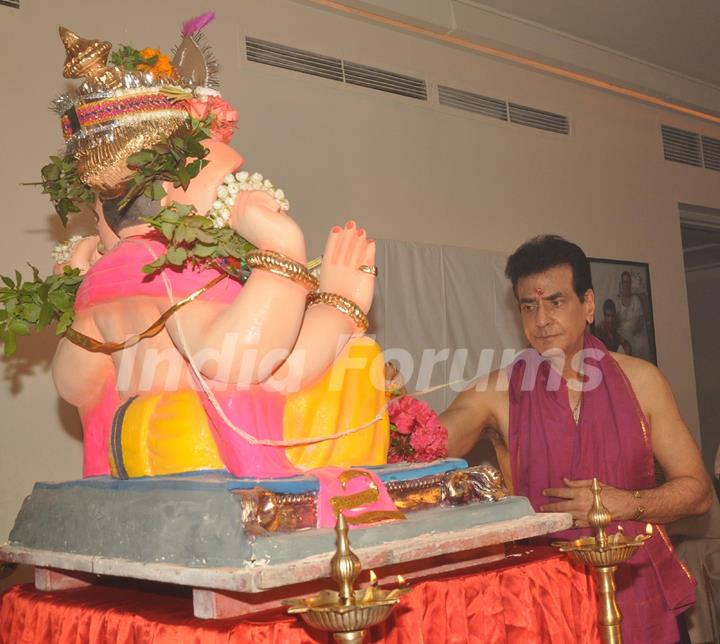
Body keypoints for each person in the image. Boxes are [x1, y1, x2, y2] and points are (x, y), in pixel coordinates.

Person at [440, 234, 712, 644]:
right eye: (528, 306)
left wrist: (627, 503)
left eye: (555, 301)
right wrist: (392, 416)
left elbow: (698, 492)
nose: (541, 319)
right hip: (549, 600)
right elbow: (435, 443)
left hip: (638, 590)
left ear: (587, 305)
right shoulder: (498, 392)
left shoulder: (642, 381)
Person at [617, 269, 651, 360]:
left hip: (635, 335)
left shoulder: (636, 300)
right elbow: (616, 322)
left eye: (628, 282)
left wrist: (632, 330)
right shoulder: (618, 301)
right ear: (622, 283)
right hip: (623, 338)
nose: (626, 284)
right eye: (624, 282)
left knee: (639, 345)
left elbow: (640, 321)